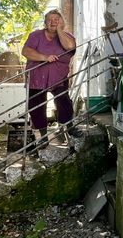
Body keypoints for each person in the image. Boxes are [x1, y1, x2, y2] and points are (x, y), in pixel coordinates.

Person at [21, 9, 77, 146]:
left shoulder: (67, 36)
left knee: (63, 100)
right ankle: (43, 135)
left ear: (61, 22)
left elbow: (69, 47)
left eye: (56, 19)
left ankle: (68, 126)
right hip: (37, 77)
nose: (53, 22)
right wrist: (44, 57)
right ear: (45, 22)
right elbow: (26, 51)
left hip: (58, 76)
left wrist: (59, 30)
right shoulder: (35, 35)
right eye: (50, 20)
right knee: (37, 105)